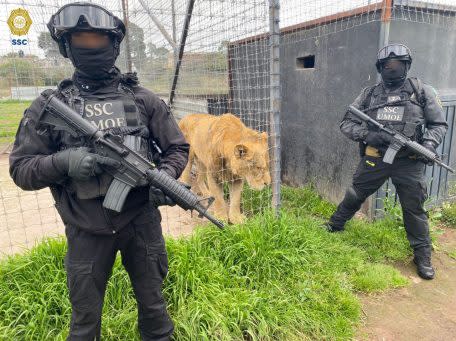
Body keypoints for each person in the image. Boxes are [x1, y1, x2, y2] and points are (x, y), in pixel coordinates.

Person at [9, 2, 189, 340]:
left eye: (98, 40)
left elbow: (178, 148)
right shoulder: (51, 107)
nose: (91, 47)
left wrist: (165, 176)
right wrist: (62, 163)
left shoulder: (143, 100)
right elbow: (21, 169)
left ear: (115, 45)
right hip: (85, 231)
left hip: (141, 224)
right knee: (84, 323)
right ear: (66, 47)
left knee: (155, 312)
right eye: (81, 40)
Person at [326, 43, 448, 280]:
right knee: (355, 194)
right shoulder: (369, 94)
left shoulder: (421, 91)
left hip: (410, 162)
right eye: (387, 65)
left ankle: (422, 257)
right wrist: (369, 135)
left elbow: (438, 125)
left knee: (414, 209)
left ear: (406, 65)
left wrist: (429, 146)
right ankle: (335, 225)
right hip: (376, 157)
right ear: (380, 67)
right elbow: (346, 123)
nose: (392, 68)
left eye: (397, 64)